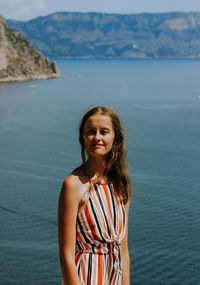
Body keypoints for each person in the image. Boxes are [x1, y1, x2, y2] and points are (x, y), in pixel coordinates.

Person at [58, 106, 131, 285]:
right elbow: (66, 254)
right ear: (83, 138)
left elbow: (123, 249)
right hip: (85, 277)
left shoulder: (121, 184)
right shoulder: (74, 184)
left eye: (104, 131)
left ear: (115, 137)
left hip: (115, 277)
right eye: (91, 132)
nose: (97, 137)